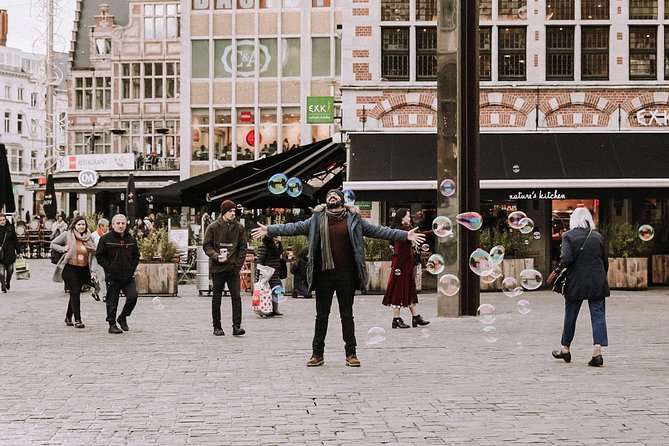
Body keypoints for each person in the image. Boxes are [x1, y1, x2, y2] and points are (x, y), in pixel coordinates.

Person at [251, 189, 425, 368]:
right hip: (323, 275)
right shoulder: (316, 219)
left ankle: (351, 354)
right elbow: (293, 228)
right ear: (326, 201)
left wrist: (405, 235)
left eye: (335, 195)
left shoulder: (354, 219)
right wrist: (269, 229)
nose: (331, 196)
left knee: (347, 316)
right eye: (328, 196)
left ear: (342, 200)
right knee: (321, 316)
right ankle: (317, 354)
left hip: (346, 275)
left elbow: (379, 231)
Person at [552, 207, 610, 367]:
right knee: (598, 314)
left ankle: (565, 348)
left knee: (571, 313)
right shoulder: (597, 236)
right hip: (597, 280)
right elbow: (605, 261)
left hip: (576, 280)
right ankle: (597, 351)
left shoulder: (568, 236)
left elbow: (566, 259)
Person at [203, 200, 248, 337]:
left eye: (234, 211)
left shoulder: (239, 227)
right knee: (217, 297)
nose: (233, 214)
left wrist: (237, 265)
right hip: (218, 268)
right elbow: (207, 245)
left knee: (236, 297)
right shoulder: (213, 227)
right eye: (230, 211)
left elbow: (242, 247)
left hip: (233, 268)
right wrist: (216, 256)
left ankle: (237, 326)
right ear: (223, 212)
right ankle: (217, 326)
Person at [382, 208, 431, 329]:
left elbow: (421, 235)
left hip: (406, 265)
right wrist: (435, 231)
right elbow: (399, 251)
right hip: (400, 265)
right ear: (402, 218)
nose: (410, 218)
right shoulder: (400, 231)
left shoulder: (406, 230)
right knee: (398, 291)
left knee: (410, 289)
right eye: (408, 216)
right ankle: (396, 319)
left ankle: (416, 317)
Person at [96, 214, 140, 334]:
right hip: (113, 276)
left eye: (123, 223)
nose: (121, 226)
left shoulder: (131, 239)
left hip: (127, 275)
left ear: (126, 225)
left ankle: (123, 316)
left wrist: (132, 267)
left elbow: (136, 256)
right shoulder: (106, 239)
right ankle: (112, 324)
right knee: (112, 301)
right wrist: (109, 267)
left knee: (132, 297)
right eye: (118, 223)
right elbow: (99, 256)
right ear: (113, 225)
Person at [50, 216, 97, 328]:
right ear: (74, 225)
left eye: (83, 225)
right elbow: (53, 243)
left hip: (83, 268)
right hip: (70, 267)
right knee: (75, 290)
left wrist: (94, 271)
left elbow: (94, 254)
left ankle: (68, 316)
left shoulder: (89, 238)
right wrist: (63, 249)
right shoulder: (68, 234)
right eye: (79, 224)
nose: (81, 227)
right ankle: (78, 319)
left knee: (74, 293)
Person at [256, 235, 284, 317]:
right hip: (266, 271)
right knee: (265, 290)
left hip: (275, 271)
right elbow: (260, 259)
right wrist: (260, 272)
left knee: (276, 289)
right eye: (278, 235)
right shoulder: (264, 245)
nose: (280, 237)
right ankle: (265, 308)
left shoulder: (278, 245)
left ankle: (275, 309)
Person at [0, 213, 21, 293]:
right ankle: (3, 285)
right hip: (0, 254)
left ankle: (7, 281)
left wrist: (19, 251)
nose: (2, 221)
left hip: (10, 252)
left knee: (10, 270)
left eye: (3, 220)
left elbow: (15, 241)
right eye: (0, 220)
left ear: (6, 220)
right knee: (1, 272)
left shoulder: (10, 228)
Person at [90, 218, 110, 302]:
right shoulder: (94, 235)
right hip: (97, 258)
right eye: (106, 226)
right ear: (101, 226)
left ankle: (95, 292)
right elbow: (91, 247)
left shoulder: (108, 235)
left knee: (101, 278)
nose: (107, 228)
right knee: (102, 276)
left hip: (106, 258)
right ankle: (105, 294)